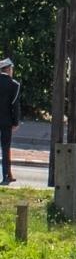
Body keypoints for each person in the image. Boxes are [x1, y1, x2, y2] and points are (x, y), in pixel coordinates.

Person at [0, 56, 19, 184]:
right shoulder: (14, 85)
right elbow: (15, 105)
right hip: (6, 121)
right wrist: (15, 122)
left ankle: (9, 175)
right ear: (8, 69)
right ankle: (6, 176)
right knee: (5, 148)